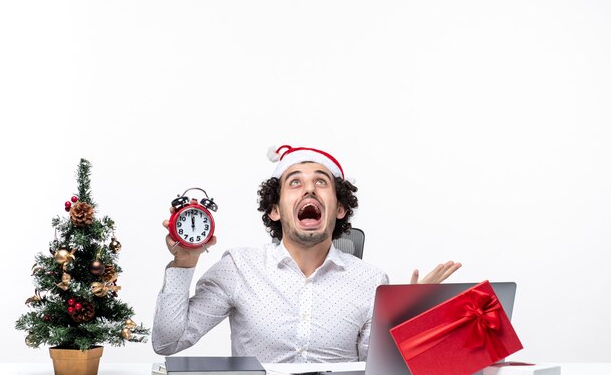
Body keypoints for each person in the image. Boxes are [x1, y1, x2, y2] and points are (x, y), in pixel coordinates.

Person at [152, 145, 461, 363]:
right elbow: (167, 342)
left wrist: (408, 317)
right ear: (275, 209)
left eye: (321, 182)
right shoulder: (238, 268)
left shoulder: (372, 281)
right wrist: (185, 261)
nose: (309, 189)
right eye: (295, 181)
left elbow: (374, 371)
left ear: (339, 209)